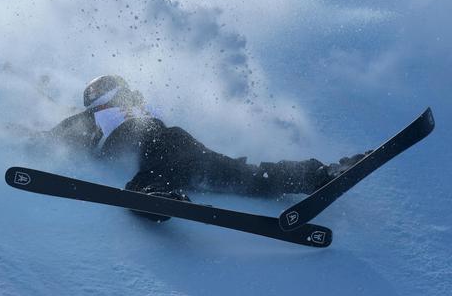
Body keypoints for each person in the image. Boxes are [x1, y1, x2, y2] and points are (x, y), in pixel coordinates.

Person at [42, 75, 367, 220]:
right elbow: (63, 134)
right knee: (247, 176)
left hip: (162, 146)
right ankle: (318, 175)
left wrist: (33, 137)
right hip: (187, 150)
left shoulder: (104, 115)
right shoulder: (124, 110)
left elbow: (60, 136)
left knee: (153, 172)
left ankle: (155, 197)